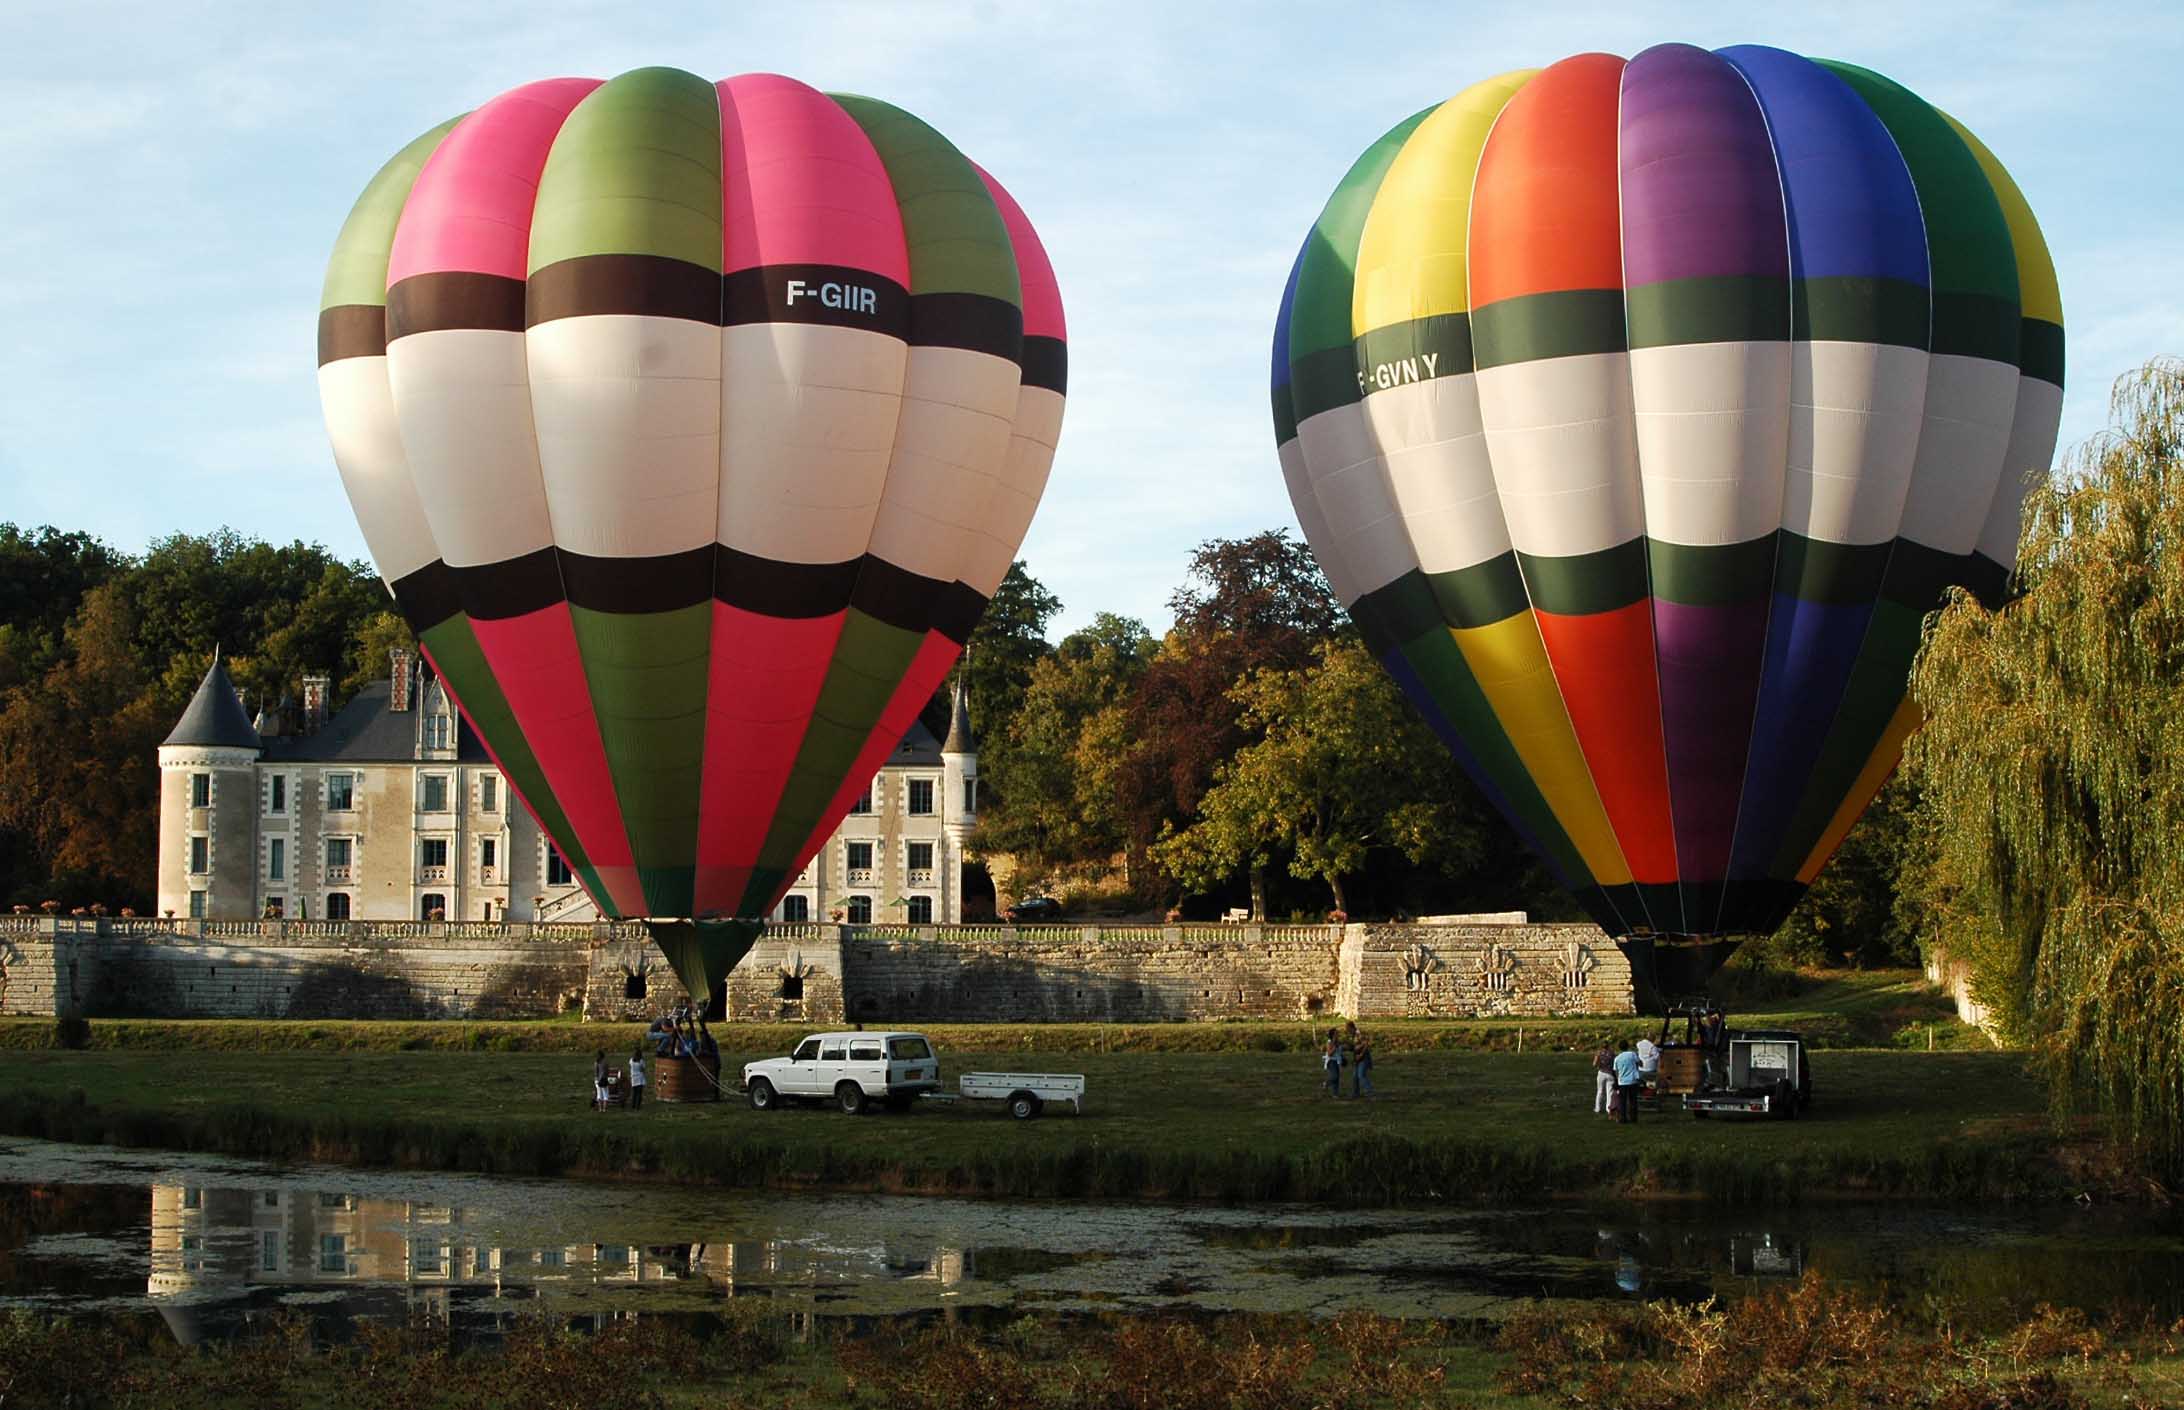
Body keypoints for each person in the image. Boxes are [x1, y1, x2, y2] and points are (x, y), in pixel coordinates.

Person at [1612, 1039, 1642, 1124]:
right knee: (1633, 1101)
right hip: (1633, 1080)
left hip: (1622, 1082)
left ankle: (1623, 1118)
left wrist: (1618, 1079)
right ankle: (1633, 1118)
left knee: (1622, 1101)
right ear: (1628, 1046)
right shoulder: (1632, 1054)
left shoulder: (1617, 1058)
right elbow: (1640, 1063)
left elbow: (1616, 1071)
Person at [1591, 1042, 1615, 1117]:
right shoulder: (1612, 1053)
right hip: (1610, 1073)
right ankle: (1608, 1109)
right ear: (1608, 1046)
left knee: (1600, 1091)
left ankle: (1597, 1108)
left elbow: (1594, 1064)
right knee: (1609, 1092)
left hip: (1601, 1072)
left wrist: (1599, 1064)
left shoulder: (1599, 1053)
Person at [1351, 1028, 1374, 1098]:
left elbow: (1365, 1044)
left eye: (1347, 1029)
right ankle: (1356, 1093)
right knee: (1355, 1076)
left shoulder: (1358, 1034)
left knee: (1361, 1075)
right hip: (1357, 1059)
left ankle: (1369, 1091)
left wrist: (1361, 1054)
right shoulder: (1353, 1035)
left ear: (1351, 1028)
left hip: (1363, 1058)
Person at [1322, 1027, 1345, 1097]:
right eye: (1336, 1033)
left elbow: (1339, 1051)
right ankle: (1326, 1083)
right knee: (1334, 1076)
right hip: (1331, 1061)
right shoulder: (1329, 1042)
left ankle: (1335, 1094)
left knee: (1337, 1078)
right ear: (1332, 1035)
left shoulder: (1338, 1042)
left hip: (1337, 1061)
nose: (1338, 1034)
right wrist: (1335, 1047)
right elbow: (1329, 1053)